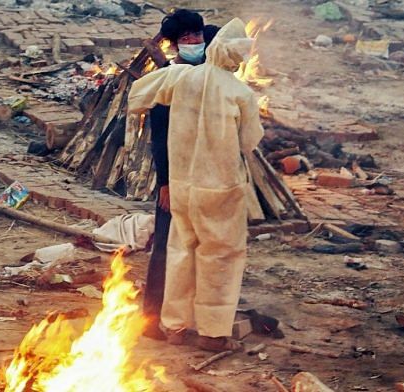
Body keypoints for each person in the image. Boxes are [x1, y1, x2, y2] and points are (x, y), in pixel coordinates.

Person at [129, 18, 264, 352]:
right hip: (219, 188)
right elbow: (250, 142)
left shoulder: (180, 77)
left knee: (180, 252)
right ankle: (212, 333)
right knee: (220, 258)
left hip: (183, 185)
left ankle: (174, 326)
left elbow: (138, 96)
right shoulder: (240, 92)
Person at [142, 9, 219, 340]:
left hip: (206, 175)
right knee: (165, 245)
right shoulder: (168, 79)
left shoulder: (210, 70)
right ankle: (151, 319)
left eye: (196, 35)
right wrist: (165, 183)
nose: (193, 41)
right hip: (175, 174)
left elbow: (225, 35)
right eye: (185, 38)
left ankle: (188, 315)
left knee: (200, 246)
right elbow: (159, 137)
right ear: (174, 45)